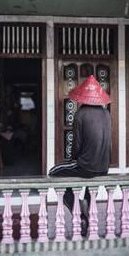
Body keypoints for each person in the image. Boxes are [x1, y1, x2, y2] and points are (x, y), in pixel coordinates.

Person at [48, 74, 112, 214]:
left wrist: (73, 160)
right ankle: (85, 218)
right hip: (104, 167)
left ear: (82, 97)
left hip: (87, 166)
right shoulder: (106, 113)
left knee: (53, 172)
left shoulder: (80, 114)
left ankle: (76, 207)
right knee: (90, 187)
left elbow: (76, 145)